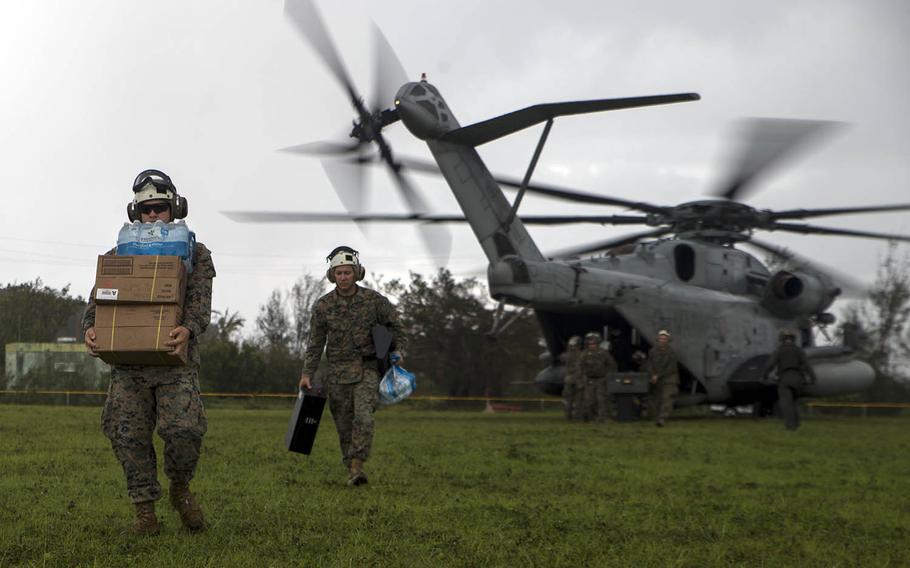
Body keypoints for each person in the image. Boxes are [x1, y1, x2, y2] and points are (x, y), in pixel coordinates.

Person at [83, 169, 215, 535]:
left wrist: (187, 330)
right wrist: (91, 330)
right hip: (128, 366)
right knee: (126, 433)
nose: (153, 216)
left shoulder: (196, 253)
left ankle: (180, 488)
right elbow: (96, 303)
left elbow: (200, 301)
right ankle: (145, 511)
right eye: (146, 211)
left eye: (160, 208)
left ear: (175, 209)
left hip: (176, 360)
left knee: (184, 429)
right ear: (135, 214)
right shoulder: (117, 255)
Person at [299, 246, 405, 486]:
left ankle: (358, 464)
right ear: (332, 275)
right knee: (344, 424)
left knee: (364, 418)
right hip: (336, 374)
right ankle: (352, 469)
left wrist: (398, 352)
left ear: (357, 273)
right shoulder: (323, 307)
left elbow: (397, 327)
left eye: (348, 272)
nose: (344, 277)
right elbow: (315, 343)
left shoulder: (374, 301)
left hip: (367, 369)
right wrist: (307, 373)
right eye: (339, 273)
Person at [763, 329, 817, 431]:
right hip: (798, 380)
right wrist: (813, 378)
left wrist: (764, 376)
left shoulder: (779, 350)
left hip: (785, 379)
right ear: (794, 339)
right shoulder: (799, 351)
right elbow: (807, 365)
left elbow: (769, 365)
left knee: (786, 404)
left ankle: (790, 427)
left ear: (782, 339)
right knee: (794, 402)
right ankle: (796, 424)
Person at [580, 331, 617, 422]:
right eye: (590, 344)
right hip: (589, 380)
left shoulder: (604, 353)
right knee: (589, 400)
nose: (591, 345)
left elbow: (612, 365)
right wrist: (582, 376)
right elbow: (580, 366)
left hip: (601, 380)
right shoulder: (584, 354)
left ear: (597, 343)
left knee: (601, 399)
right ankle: (589, 418)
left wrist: (607, 376)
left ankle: (602, 418)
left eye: (593, 343)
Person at [645, 330, 679, 427]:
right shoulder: (653, 351)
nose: (662, 340)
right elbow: (650, 364)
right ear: (658, 340)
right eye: (661, 338)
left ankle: (662, 419)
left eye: (664, 339)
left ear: (668, 340)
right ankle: (656, 417)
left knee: (667, 399)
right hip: (656, 379)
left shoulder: (671, 353)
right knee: (656, 399)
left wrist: (657, 375)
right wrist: (652, 375)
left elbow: (671, 368)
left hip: (669, 379)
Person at [559, 336, 583, 421]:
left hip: (571, 379)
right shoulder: (582, 354)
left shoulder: (567, 355)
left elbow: (561, 358)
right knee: (575, 400)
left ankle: (570, 417)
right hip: (576, 380)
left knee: (572, 400)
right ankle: (575, 417)